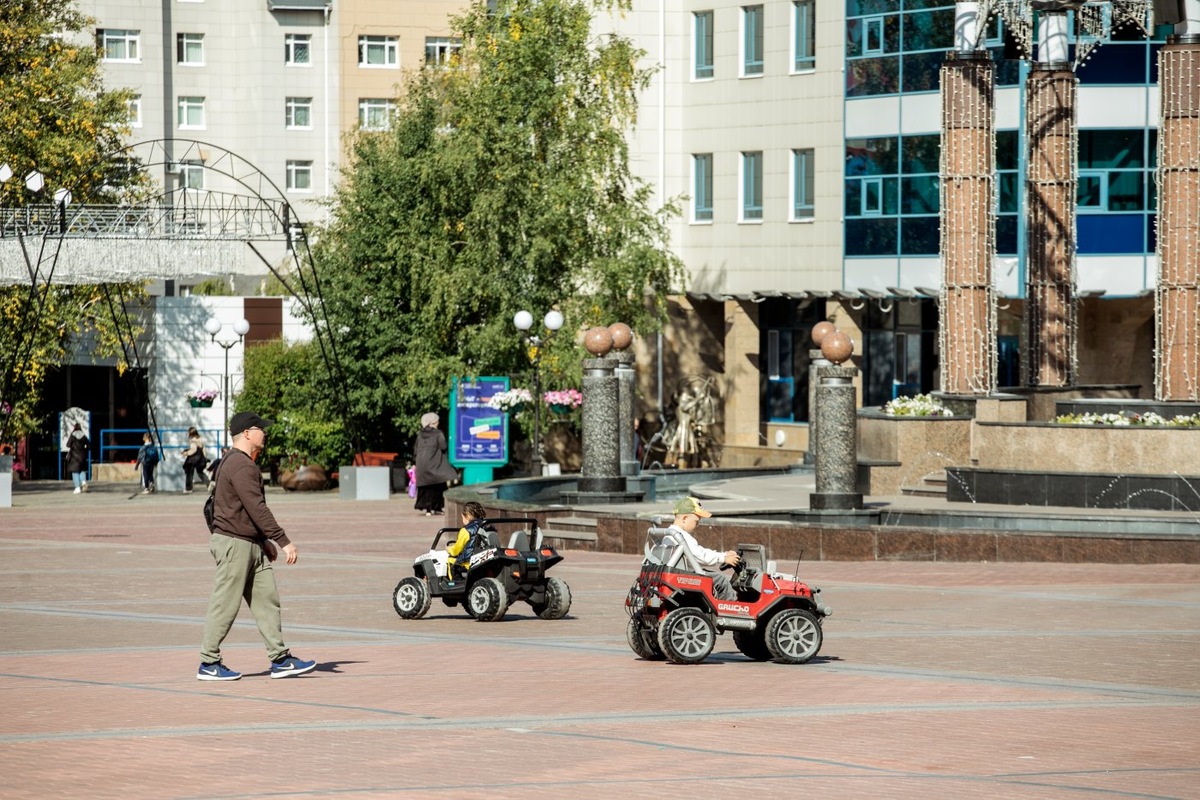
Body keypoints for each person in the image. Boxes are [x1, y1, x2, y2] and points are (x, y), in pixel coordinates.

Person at [198, 411, 315, 681]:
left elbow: (247, 510)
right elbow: (256, 507)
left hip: (251, 544)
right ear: (247, 433)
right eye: (260, 428)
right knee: (225, 603)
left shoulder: (239, 463)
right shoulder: (240, 465)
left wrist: (263, 541)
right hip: (234, 544)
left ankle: (280, 659)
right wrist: (283, 541)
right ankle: (208, 662)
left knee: (266, 601)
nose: (265, 432)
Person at [663, 496, 740, 601]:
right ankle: (731, 613)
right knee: (721, 580)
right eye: (696, 521)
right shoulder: (680, 536)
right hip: (682, 579)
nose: (698, 525)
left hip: (675, 575)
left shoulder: (667, 533)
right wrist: (723, 558)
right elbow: (700, 556)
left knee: (709, 574)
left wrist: (724, 554)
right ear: (685, 518)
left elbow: (699, 553)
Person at [413, 412, 458, 516]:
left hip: (421, 464)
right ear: (433, 422)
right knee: (438, 483)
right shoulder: (438, 433)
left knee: (425, 486)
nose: (438, 423)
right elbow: (443, 446)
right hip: (435, 463)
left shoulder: (420, 434)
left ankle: (427, 509)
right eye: (437, 421)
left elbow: (415, 449)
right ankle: (437, 507)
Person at [445, 501, 488, 579]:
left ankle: (454, 585)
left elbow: (456, 550)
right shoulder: (487, 525)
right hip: (484, 560)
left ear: (467, 516)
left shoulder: (466, 530)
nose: (462, 520)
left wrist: (449, 549)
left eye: (462, 517)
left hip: (469, 562)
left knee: (450, 561)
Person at [181, 425, 208, 494]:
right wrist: (205, 458)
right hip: (200, 459)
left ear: (191, 433)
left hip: (193, 460)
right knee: (200, 472)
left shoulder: (193, 440)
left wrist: (186, 453)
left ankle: (188, 488)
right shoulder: (200, 439)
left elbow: (193, 450)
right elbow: (203, 449)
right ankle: (209, 484)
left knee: (189, 473)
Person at [65, 423, 90, 494]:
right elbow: (89, 445)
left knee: (75, 471)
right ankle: (83, 482)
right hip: (82, 456)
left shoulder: (73, 435)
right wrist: (84, 450)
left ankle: (77, 488)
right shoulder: (83, 436)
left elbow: (68, 444)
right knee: (82, 470)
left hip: (74, 456)